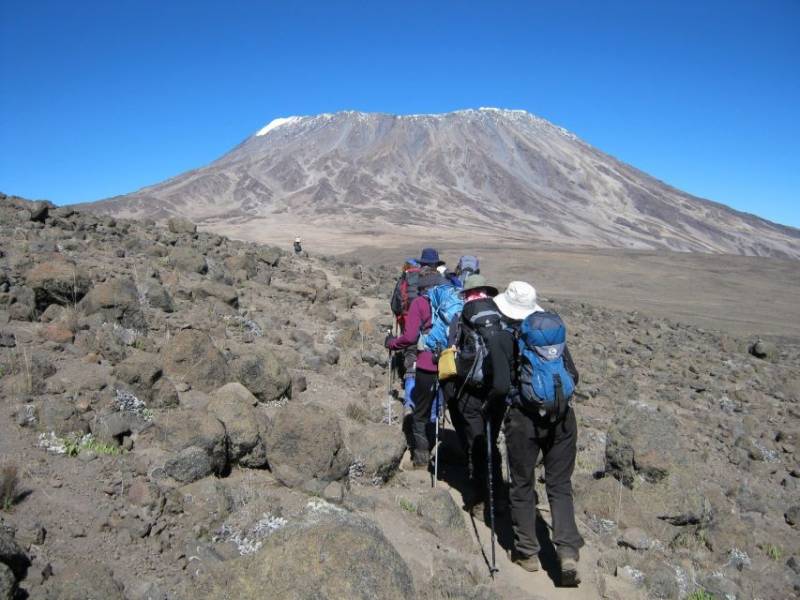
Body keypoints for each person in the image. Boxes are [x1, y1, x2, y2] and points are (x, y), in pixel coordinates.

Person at [493, 281, 584, 585]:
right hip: (562, 418)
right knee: (559, 485)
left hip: (524, 421)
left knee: (521, 484)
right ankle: (568, 551)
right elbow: (573, 375)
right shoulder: (552, 336)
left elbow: (503, 385)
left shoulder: (506, 337)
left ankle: (527, 552)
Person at [446, 274, 512, 521]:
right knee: (490, 442)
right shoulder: (500, 316)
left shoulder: (462, 315)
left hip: (471, 392)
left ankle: (482, 500)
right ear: (487, 291)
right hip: (498, 391)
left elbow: (453, 348)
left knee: (477, 445)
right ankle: (500, 496)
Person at [385, 248, 445, 468]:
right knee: (437, 391)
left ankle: (420, 456)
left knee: (414, 375)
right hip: (445, 355)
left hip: (421, 349)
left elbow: (396, 309)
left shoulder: (413, 286)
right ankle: (435, 413)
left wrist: (393, 342)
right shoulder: (447, 291)